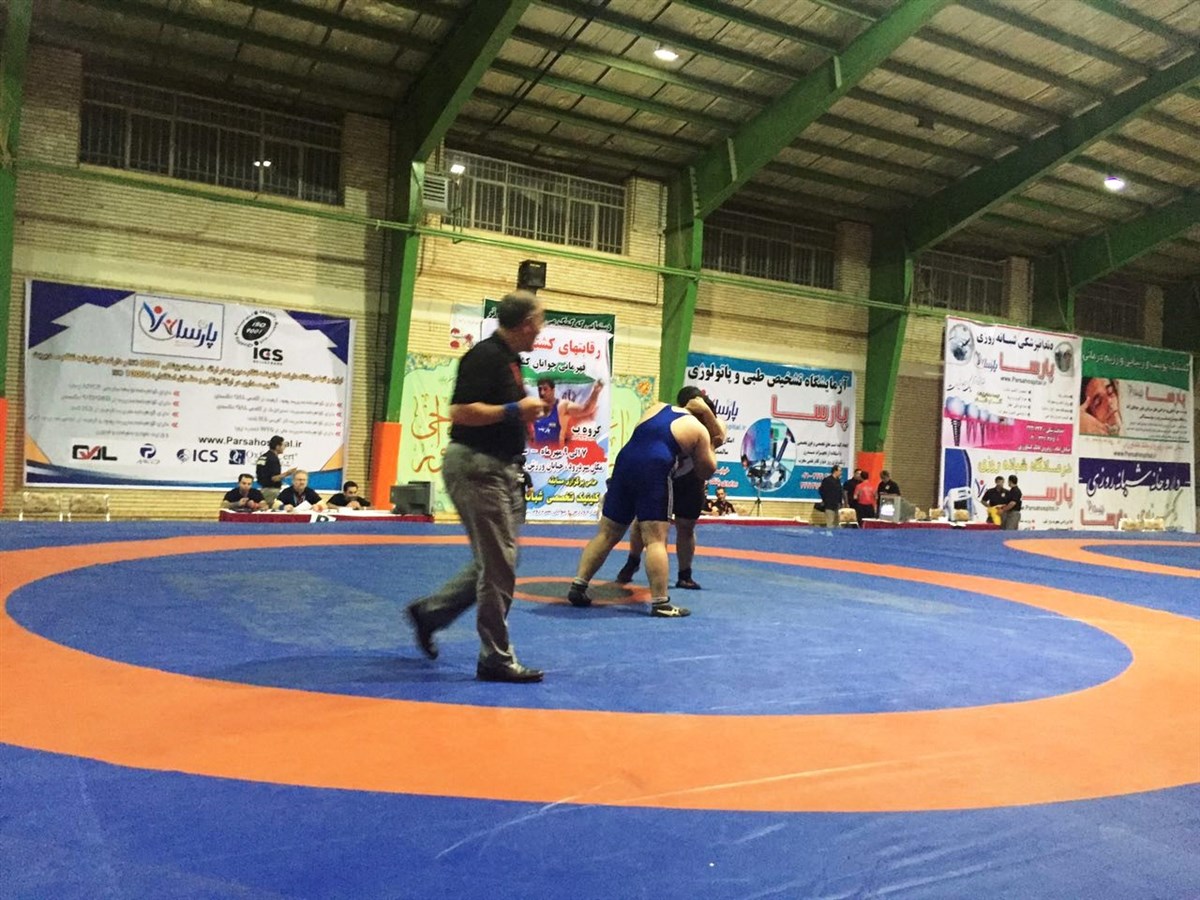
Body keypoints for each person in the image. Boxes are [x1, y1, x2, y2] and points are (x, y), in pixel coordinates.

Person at [406, 291, 548, 684]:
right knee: (499, 564)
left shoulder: (511, 360)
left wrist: (524, 416)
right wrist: (514, 410)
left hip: (499, 468)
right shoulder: (485, 356)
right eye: (540, 321)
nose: (542, 328)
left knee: (500, 561)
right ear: (526, 324)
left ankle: (431, 612)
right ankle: (495, 658)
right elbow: (460, 412)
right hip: (478, 467)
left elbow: (503, 413)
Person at [567, 394, 720, 617]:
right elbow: (706, 471)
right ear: (705, 417)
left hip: (624, 463)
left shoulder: (657, 407)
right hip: (654, 467)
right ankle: (661, 603)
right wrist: (711, 445)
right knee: (655, 539)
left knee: (607, 532)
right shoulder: (699, 429)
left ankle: (579, 585)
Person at [613, 386, 726, 592]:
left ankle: (685, 574)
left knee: (686, 526)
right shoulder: (675, 418)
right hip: (663, 475)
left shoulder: (712, 422)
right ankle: (633, 560)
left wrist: (707, 413)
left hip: (690, 479)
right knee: (644, 523)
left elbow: (719, 439)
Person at [530, 377, 604, 446]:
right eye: (539, 389)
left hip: (558, 452)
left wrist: (596, 391)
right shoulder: (533, 408)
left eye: (545, 389)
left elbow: (586, 410)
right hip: (538, 453)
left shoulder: (562, 406)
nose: (542, 393)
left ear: (553, 390)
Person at [255, 435, 297, 509]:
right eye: (283, 445)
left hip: (263, 489)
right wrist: (288, 473)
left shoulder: (263, 457)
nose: (285, 447)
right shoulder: (273, 459)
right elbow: (274, 478)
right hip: (271, 492)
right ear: (277, 446)